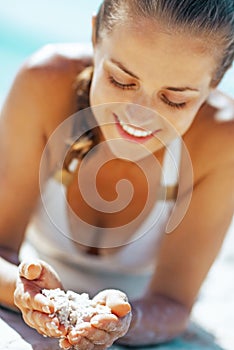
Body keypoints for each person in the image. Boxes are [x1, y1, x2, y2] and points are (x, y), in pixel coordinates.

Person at [0, 0, 234, 348]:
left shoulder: (222, 139)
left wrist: (124, 318)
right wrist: (26, 293)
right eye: (121, 80)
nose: (139, 117)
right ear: (95, 35)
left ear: (216, 80)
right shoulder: (44, 83)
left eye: (174, 100)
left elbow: (173, 302)